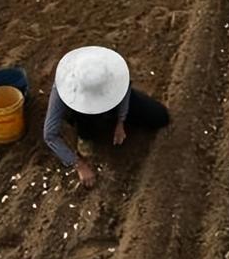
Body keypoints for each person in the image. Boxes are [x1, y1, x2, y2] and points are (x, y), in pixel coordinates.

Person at [43, 46, 169, 188]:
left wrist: (121, 121)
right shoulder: (63, 88)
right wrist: (79, 165)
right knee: (88, 122)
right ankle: (85, 135)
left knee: (160, 117)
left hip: (112, 98)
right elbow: (50, 135)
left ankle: (108, 116)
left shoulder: (111, 70)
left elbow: (125, 90)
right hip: (83, 114)